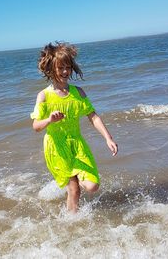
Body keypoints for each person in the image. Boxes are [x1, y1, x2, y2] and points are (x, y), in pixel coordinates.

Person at [31, 42, 118, 213]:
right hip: (57, 147)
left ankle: (68, 187)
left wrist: (108, 138)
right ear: (50, 68)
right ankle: (72, 222)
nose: (65, 71)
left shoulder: (78, 93)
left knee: (92, 186)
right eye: (60, 67)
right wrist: (49, 119)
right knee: (74, 189)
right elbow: (36, 126)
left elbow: (93, 116)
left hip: (77, 144)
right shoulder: (44, 96)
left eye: (68, 67)